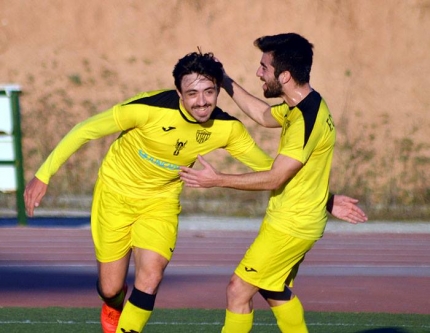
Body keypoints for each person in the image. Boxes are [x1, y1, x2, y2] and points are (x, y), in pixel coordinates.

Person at [24, 51, 365, 333]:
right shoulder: (146, 109)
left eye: (209, 92)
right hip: (115, 195)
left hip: (160, 202)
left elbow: (271, 169)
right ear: (178, 92)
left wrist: (328, 198)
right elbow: (85, 130)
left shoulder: (227, 128)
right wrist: (43, 174)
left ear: (217, 90)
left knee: (151, 274)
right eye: (192, 93)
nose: (202, 102)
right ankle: (113, 305)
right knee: (111, 288)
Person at [180, 33, 366, 333]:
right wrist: (224, 80)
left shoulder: (305, 120)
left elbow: (276, 176)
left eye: (264, 67)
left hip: (291, 225)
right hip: (294, 217)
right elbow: (263, 115)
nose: (258, 73)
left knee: (237, 290)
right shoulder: (305, 105)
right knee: (274, 289)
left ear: (285, 75)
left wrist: (217, 180)